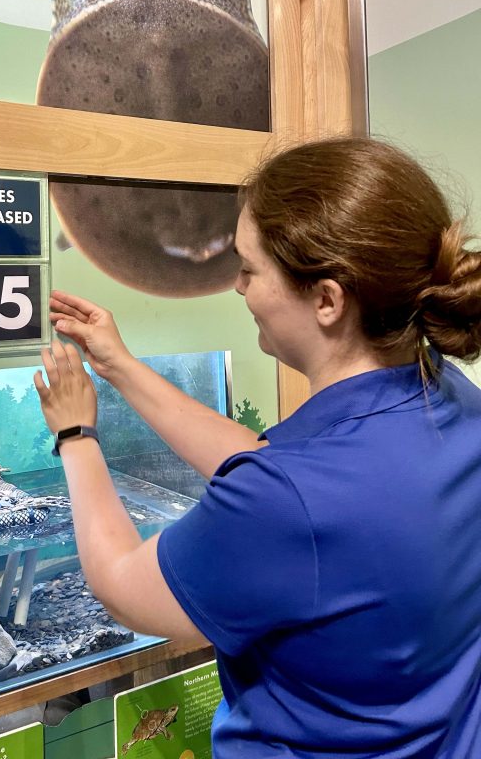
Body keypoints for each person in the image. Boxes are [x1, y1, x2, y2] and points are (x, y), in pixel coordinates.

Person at [33, 137, 481, 759]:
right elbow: (269, 469)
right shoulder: (450, 397)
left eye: (250, 269)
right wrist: (120, 368)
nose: (238, 288)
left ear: (327, 300)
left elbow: (122, 584)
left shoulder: (291, 501)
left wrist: (75, 434)